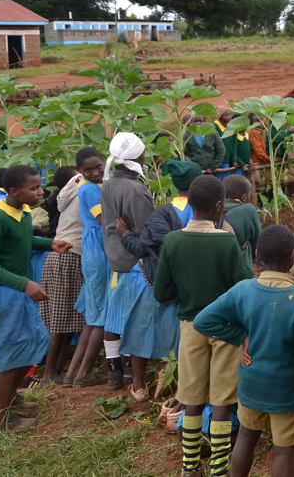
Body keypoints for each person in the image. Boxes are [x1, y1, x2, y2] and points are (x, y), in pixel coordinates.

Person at [193, 225, 294, 477]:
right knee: (285, 451)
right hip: (287, 390)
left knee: (246, 437)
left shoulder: (243, 290)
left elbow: (202, 321)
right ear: (293, 257)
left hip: (251, 383)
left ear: (258, 256)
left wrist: (241, 336)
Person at [153, 176, 253, 477]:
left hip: (190, 326)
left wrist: (184, 294)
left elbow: (162, 293)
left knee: (192, 398)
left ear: (189, 204)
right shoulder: (226, 242)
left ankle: (190, 468)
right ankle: (220, 469)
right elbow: (245, 284)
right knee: (222, 401)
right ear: (219, 207)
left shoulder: (172, 241)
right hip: (226, 329)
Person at [0, 165, 71, 430]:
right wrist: (24, 283)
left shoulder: (22, 211)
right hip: (5, 294)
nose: (41, 192)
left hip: (20, 291)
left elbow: (21, 243)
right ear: (14, 191)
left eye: (40, 186)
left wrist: (50, 244)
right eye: (34, 188)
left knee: (30, 345)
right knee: (10, 353)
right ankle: (4, 419)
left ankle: (11, 398)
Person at [101, 133, 178, 400]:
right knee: (142, 322)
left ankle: (118, 373)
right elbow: (150, 236)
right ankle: (143, 380)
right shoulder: (135, 190)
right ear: (138, 157)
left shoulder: (110, 182)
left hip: (116, 259)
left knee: (117, 318)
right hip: (138, 266)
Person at [116, 159, 204, 289]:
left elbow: (142, 248)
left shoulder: (163, 213)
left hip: (172, 284)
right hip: (200, 281)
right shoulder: (209, 209)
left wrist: (126, 235)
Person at [38, 167, 85, 385]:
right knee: (59, 321)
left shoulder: (66, 193)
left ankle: (55, 370)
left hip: (58, 255)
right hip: (69, 255)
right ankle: (49, 374)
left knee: (63, 319)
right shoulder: (83, 190)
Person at [67, 148, 110, 388]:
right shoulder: (90, 189)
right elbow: (105, 222)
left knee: (93, 319)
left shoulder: (93, 187)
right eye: (88, 170)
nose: (95, 173)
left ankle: (73, 374)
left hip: (93, 250)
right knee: (100, 316)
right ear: (79, 171)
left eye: (98, 167)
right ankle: (84, 374)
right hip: (99, 251)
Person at [223, 175, 261, 268]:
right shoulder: (247, 210)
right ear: (244, 197)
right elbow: (259, 245)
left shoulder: (213, 210)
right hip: (239, 271)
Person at [214, 108, 247, 180]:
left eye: (230, 114)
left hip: (228, 160)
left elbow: (234, 146)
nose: (229, 116)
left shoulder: (233, 128)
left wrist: (234, 160)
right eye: (226, 115)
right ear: (220, 116)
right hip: (218, 160)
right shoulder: (215, 127)